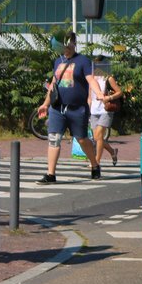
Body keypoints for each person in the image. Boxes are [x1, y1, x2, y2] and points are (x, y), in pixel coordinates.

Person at [36, 32, 98, 183]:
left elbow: (91, 80)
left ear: (75, 43)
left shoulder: (83, 61)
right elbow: (53, 85)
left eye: (70, 44)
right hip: (58, 108)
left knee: (82, 139)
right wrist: (45, 104)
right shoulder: (58, 61)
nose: (67, 47)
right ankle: (51, 174)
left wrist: (99, 94)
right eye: (65, 44)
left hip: (77, 109)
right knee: (54, 138)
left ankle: (95, 165)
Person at [87, 56, 122, 169]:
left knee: (98, 136)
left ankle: (96, 162)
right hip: (94, 110)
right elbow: (90, 94)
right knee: (97, 138)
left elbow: (119, 92)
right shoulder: (92, 78)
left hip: (105, 110)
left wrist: (109, 98)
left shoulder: (108, 78)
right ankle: (113, 152)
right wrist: (89, 104)